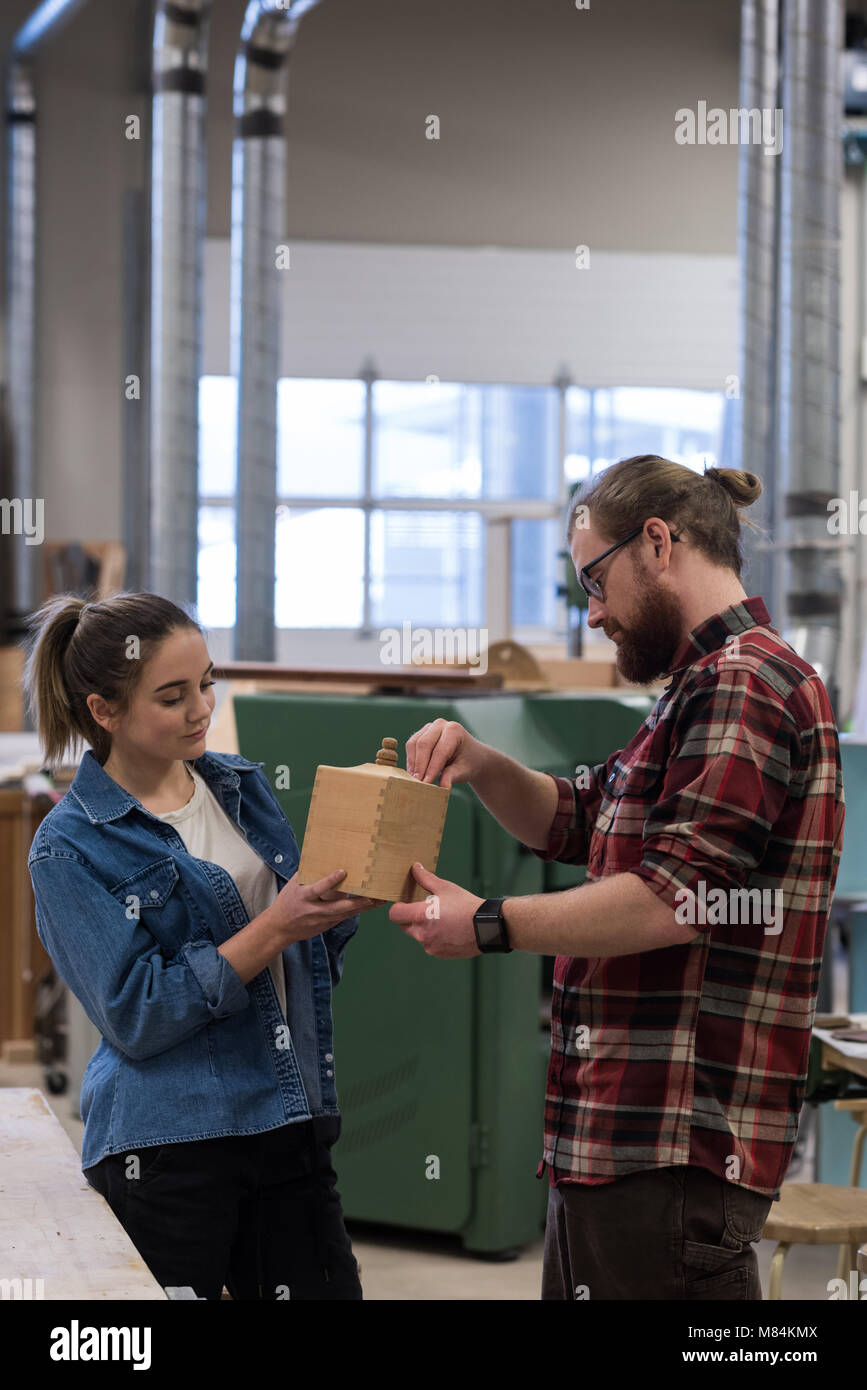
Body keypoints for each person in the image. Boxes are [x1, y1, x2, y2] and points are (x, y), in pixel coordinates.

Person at [389, 454, 845, 1301]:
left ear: (658, 542)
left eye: (594, 583)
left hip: (673, 1140)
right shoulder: (695, 687)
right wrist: (485, 764)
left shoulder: (745, 683)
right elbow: (578, 817)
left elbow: (672, 897)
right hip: (619, 1138)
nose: (592, 613)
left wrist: (487, 923)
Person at [22, 591, 382, 1300]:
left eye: (207, 683)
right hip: (171, 1150)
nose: (201, 708)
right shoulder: (66, 848)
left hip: (290, 1116)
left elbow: (309, 956)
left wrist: (342, 900)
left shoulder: (239, 786)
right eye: (172, 695)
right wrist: (277, 924)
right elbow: (138, 1015)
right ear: (105, 711)